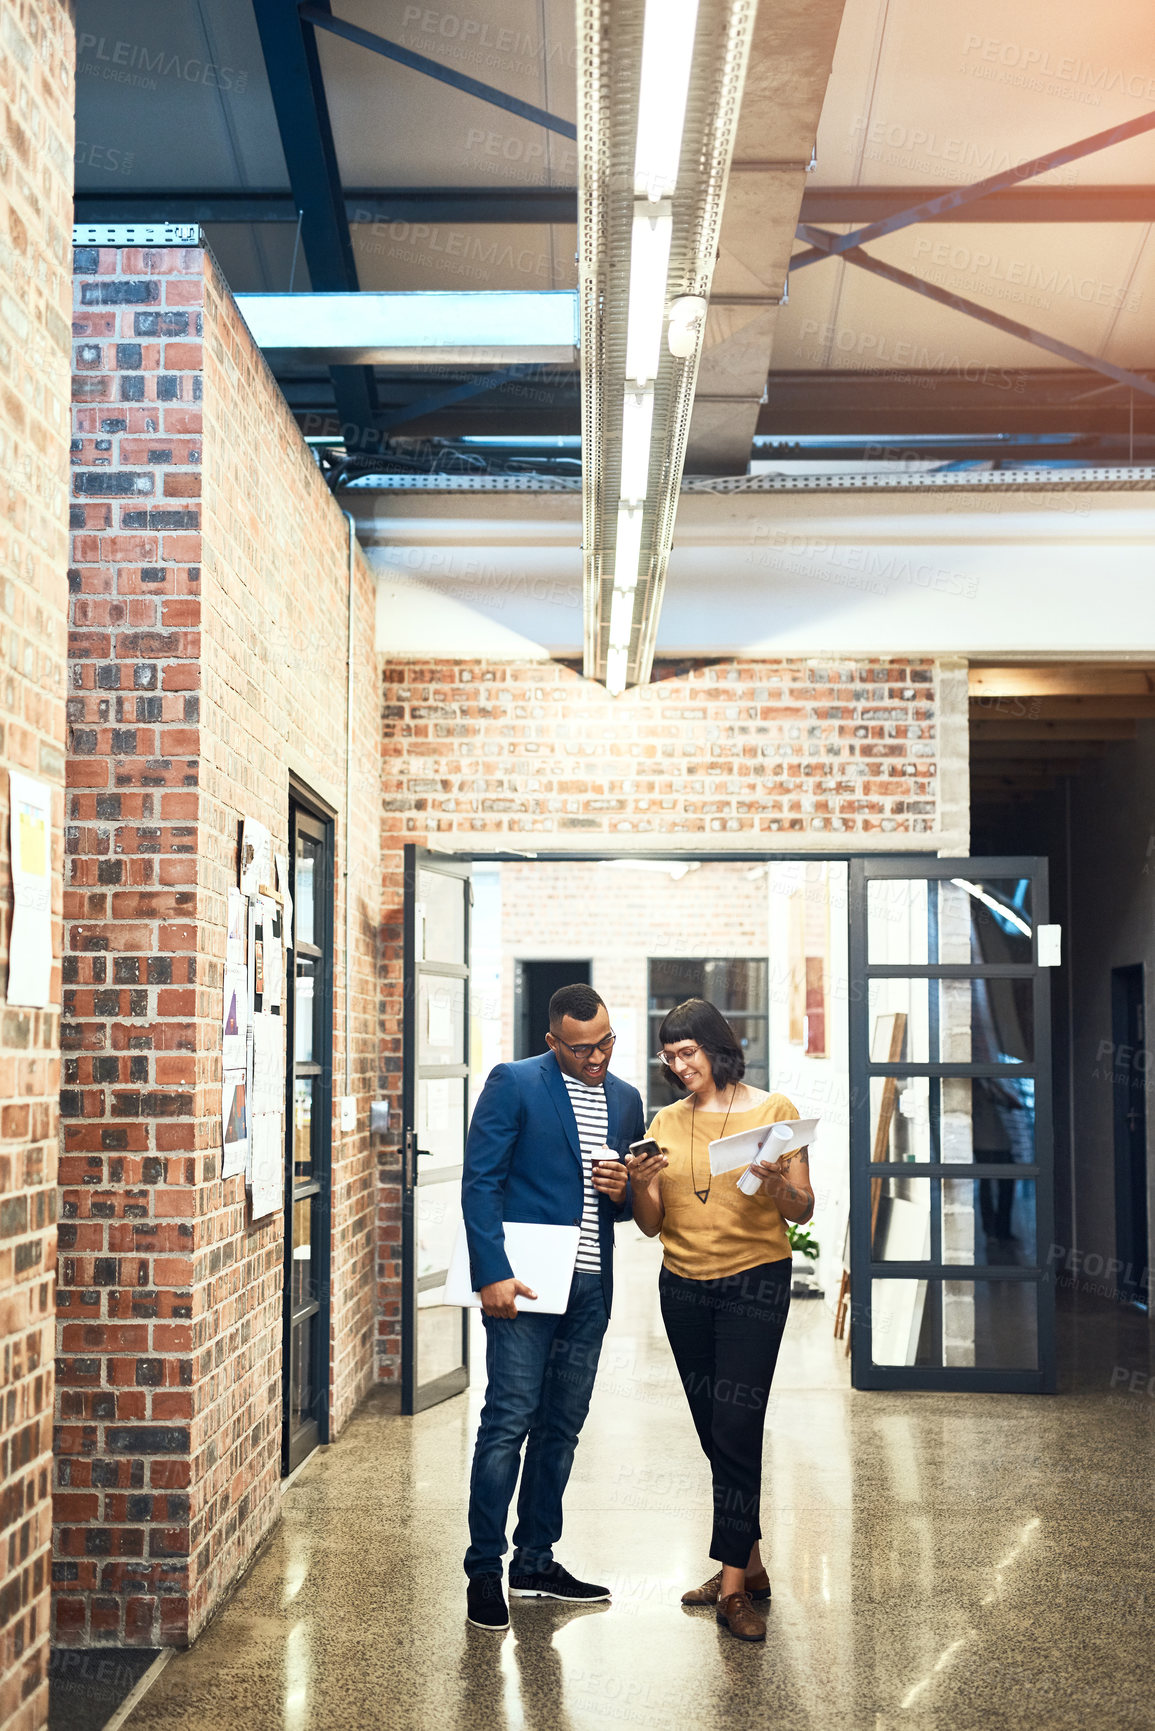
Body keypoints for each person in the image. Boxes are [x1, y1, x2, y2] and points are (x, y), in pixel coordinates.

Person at [626, 997, 814, 1643]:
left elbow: (802, 1210)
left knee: (738, 1422)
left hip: (753, 1283)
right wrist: (641, 1183)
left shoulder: (773, 1111)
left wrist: (775, 1181)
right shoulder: (664, 1122)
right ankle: (750, 1562)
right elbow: (651, 1225)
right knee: (713, 1428)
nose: (678, 1065)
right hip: (682, 1288)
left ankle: (731, 1591)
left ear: (715, 1046)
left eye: (688, 1052)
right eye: (668, 1055)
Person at [461, 982, 645, 1631]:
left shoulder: (625, 1099)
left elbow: (622, 1204)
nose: (597, 1057)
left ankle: (534, 1559)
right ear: (552, 1042)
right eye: (582, 1048)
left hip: (589, 1287)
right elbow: (480, 1180)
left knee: (561, 1428)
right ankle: (485, 1566)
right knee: (507, 1421)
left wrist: (625, 1189)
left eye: (605, 1044)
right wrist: (492, 1272)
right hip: (525, 1282)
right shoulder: (514, 1081)